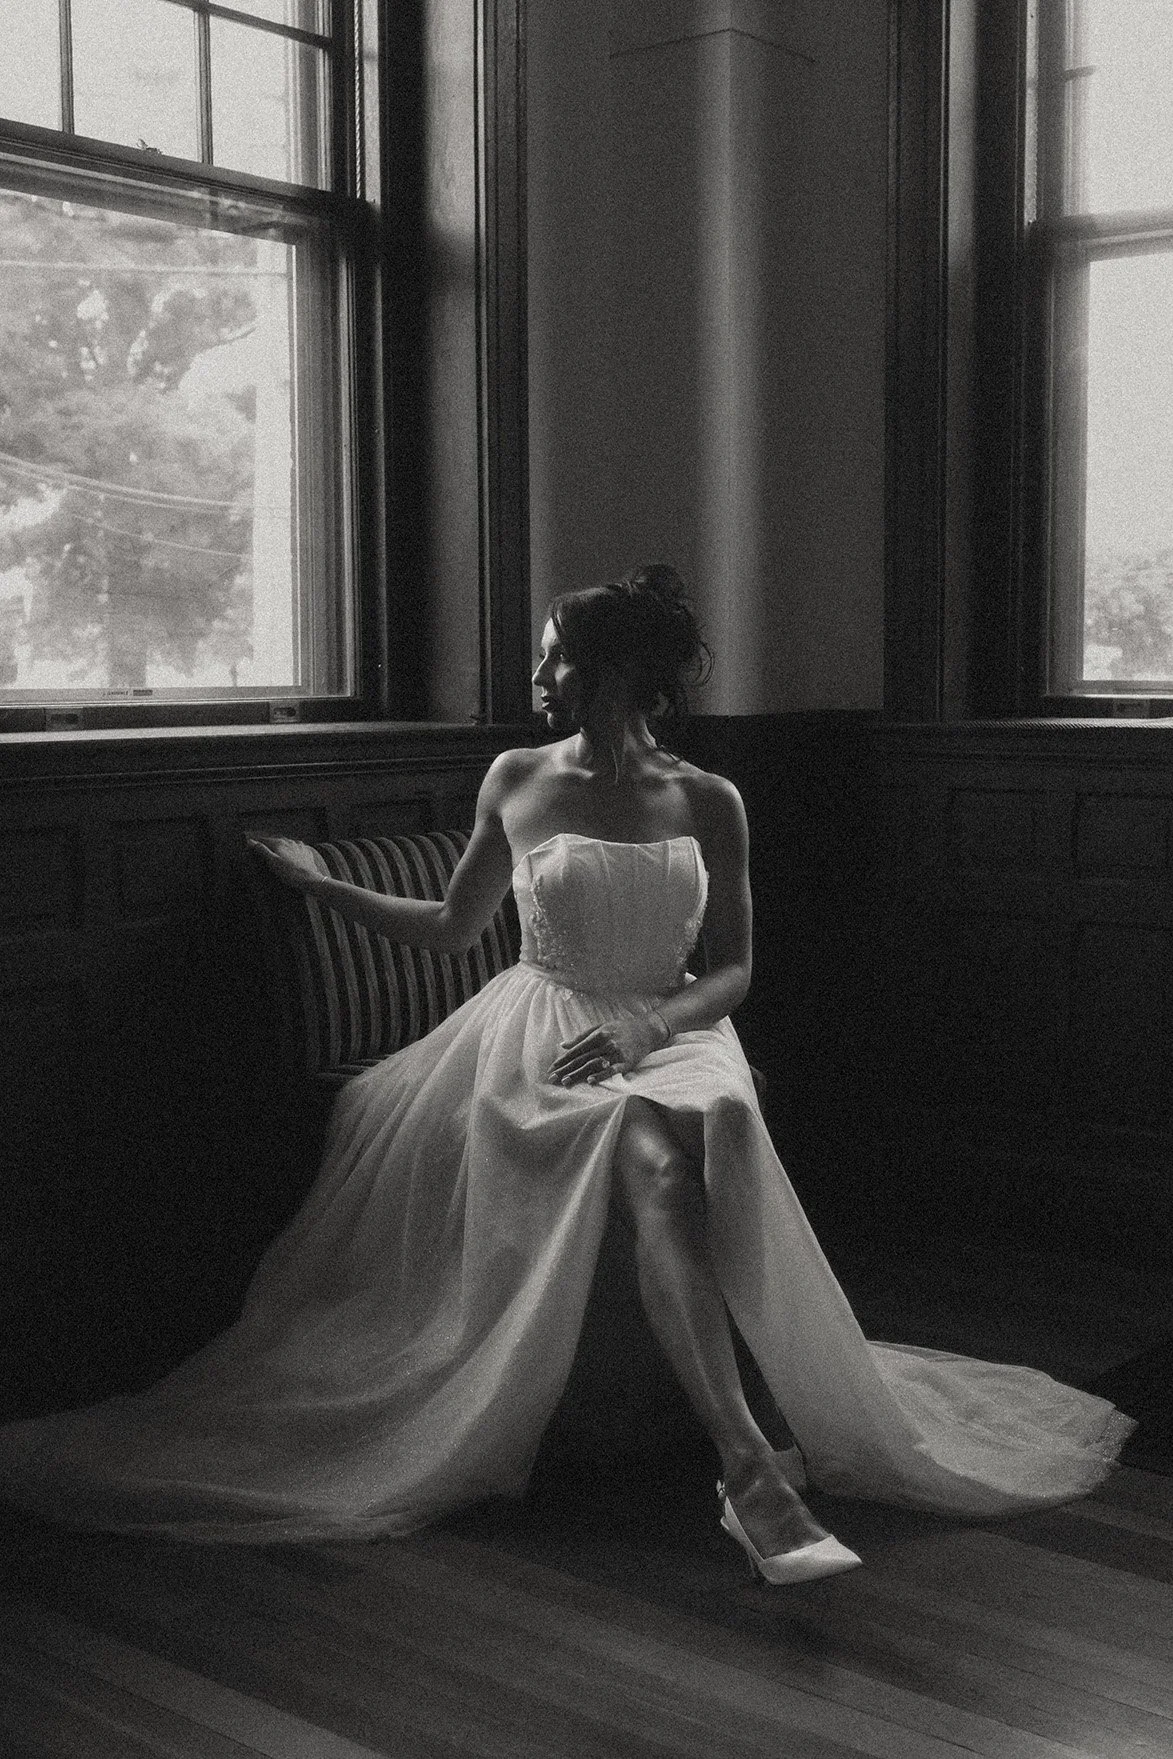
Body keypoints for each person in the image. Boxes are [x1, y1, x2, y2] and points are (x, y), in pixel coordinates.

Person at [0, 565, 1133, 1583]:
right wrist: (324, 887)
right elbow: (455, 928)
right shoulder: (515, 777)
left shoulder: (709, 798)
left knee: (679, 1130)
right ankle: (748, 1466)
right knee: (650, 1160)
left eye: (552, 653)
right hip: (542, 1025)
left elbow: (734, 967)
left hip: (678, 1028)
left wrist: (650, 1033)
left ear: (612, 673)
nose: (535, 671)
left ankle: (740, 1456)